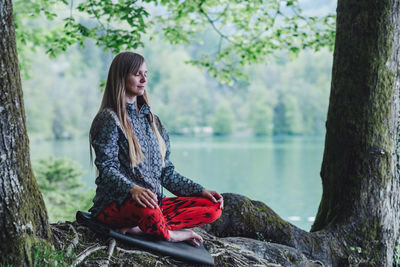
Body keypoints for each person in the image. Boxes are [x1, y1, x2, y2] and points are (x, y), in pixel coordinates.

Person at [88, 51, 223, 246]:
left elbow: (166, 173)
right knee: (148, 210)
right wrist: (132, 189)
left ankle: (141, 229)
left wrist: (199, 191)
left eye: (145, 74)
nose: (144, 79)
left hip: (153, 203)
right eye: (137, 74)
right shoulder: (109, 119)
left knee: (213, 207)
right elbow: (107, 168)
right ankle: (170, 234)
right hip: (117, 206)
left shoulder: (152, 121)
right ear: (121, 77)